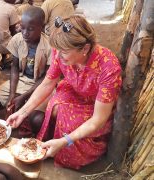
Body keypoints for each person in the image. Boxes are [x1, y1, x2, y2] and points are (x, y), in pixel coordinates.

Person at [7, 15, 122, 169]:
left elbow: (98, 119)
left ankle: (61, 145)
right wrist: (22, 112)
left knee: (69, 126)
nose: (58, 56)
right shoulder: (61, 50)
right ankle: (55, 138)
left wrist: (65, 141)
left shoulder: (108, 67)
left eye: (64, 53)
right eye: (57, 51)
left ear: (85, 48)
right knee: (56, 107)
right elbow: (48, 83)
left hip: (96, 104)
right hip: (73, 90)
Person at [0, 6, 51, 137]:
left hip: (41, 84)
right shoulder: (18, 39)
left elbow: (47, 77)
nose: (24, 32)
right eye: (22, 27)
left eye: (30, 29)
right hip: (22, 79)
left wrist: (24, 96)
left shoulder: (49, 45)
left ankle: (30, 138)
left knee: (37, 119)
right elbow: (14, 67)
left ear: (42, 27)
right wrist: (13, 93)